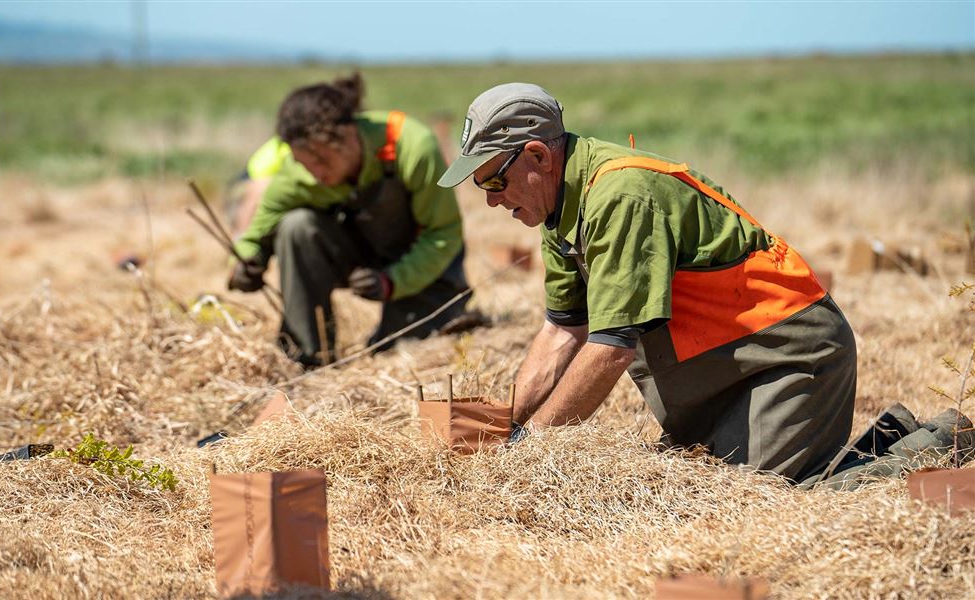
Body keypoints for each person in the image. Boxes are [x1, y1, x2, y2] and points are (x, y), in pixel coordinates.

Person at [437, 82, 971, 486]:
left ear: (538, 156)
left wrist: (529, 452)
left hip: (787, 357)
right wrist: (495, 428)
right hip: (721, 374)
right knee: (708, 488)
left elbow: (610, 349)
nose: (489, 198)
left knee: (768, 504)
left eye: (492, 179)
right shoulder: (557, 209)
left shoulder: (620, 195)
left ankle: (946, 441)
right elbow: (562, 333)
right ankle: (900, 438)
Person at [228, 73, 470, 367]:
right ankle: (308, 357)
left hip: (419, 265)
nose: (315, 173)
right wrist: (245, 262)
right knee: (296, 227)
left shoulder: (411, 145)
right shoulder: (299, 172)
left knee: (397, 355)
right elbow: (255, 232)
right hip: (358, 256)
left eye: (322, 161)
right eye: (305, 163)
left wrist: (392, 281)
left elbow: (443, 233)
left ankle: (447, 313)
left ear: (348, 137)